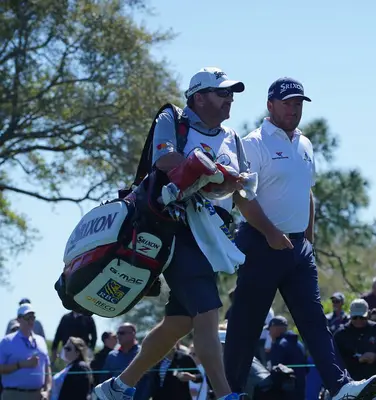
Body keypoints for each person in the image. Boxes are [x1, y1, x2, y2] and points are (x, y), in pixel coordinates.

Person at [93, 67, 248, 400]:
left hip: (212, 238)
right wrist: (219, 177)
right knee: (207, 313)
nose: (229, 100)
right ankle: (225, 395)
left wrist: (227, 181)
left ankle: (118, 386)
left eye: (231, 94)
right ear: (199, 96)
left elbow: (242, 183)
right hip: (176, 229)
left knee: (180, 322)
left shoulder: (232, 136)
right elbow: (166, 160)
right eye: (222, 93)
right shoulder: (173, 118)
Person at [224, 77, 376, 400]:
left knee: (315, 322)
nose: (294, 109)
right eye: (287, 103)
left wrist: (308, 238)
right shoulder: (253, 143)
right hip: (260, 243)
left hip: (298, 249)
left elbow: (306, 193)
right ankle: (231, 392)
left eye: (298, 104)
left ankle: (340, 387)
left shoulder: (306, 143)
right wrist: (270, 233)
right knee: (245, 326)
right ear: (270, 105)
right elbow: (240, 195)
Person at [334, 300, 376, 400]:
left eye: (362, 317)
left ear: (368, 314)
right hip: (349, 385)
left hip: (374, 385)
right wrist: (356, 359)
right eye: (355, 317)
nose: (358, 320)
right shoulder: (340, 334)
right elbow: (335, 358)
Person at [0, 304, 52, 400]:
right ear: (18, 319)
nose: (31, 320)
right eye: (27, 317)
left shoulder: (41, 340)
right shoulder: (6, 341)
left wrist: (47, 391)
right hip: (14, 395)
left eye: (32, 317)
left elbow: (47, 368)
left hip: (38, 395)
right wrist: (21, 364)